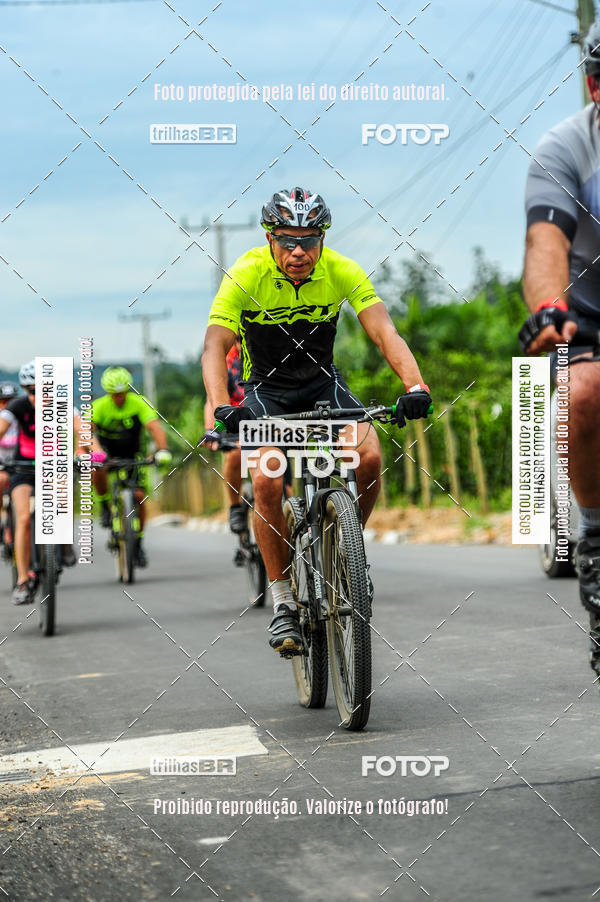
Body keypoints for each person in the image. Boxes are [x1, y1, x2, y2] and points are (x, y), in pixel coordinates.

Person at [202, 187, 432, 654]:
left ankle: (350, 550)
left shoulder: (342, 270)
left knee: (368, 457)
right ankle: (284, 602)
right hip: (268, 391)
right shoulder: (245, 273)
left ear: (323, 238)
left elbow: (384, 331)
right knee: (267, 481)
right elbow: (213, 345)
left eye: (310, 239)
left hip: (323, 383)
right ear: (270, 237)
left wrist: (415, 386)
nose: (300, 251)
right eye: (288, 240)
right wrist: (223, 402)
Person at [519, 21, 600, 681]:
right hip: (589, 322)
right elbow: (546, 242)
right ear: (595, 85)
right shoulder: (565, 148)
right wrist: (550, 306)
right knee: (580, 394)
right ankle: (595, 538)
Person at [0, 362, 77, 604]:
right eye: (31, 391)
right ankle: (23, 580)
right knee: (22, 517)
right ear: (25, 390)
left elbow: (84, 432)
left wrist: (93, 453)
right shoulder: (16, 407)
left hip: (53, 464)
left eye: (43, 389)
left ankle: (64, 543)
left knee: (63, 496)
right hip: (22, 468)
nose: (37, 396)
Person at [81, 366, 172, 568]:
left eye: (123, 393)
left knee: (139, 496)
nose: (119, 398)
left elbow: (155, 427)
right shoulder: (99, 406)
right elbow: (85, 432)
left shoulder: (138, 403)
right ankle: (104, 504)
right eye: (115, 394)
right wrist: (88, 454)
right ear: (108, 392)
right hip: (106, 454)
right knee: (97, 467)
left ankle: (137, 543)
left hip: (133, 454)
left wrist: (162, 449)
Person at [203, 335, 247, 534]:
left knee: (285, 489)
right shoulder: (228, 362)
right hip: (233, 419)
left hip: (264, 419)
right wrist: (210, 429)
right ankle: (235, 507)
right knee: (235, 455)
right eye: (239, 338)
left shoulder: (266, 356)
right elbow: (212, 400)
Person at [0, 382, 20, 556]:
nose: (7, 404)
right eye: (3, 401)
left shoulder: (23, 417)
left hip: (23, 464)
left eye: (11, 400)